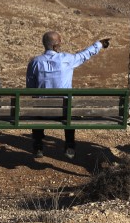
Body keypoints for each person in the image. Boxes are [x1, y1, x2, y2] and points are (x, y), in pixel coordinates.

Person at [25, 31, 110, 159]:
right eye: (59, 42)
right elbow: (85, 55)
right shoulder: (67, 59)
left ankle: (38, 145)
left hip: (42, 111)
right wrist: (99, 44)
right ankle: (69, 145)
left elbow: (30, 88)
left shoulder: (35, 62)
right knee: (71, 109)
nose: (61, 44)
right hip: (64, 112)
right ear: (55, 46)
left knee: (37, 107)